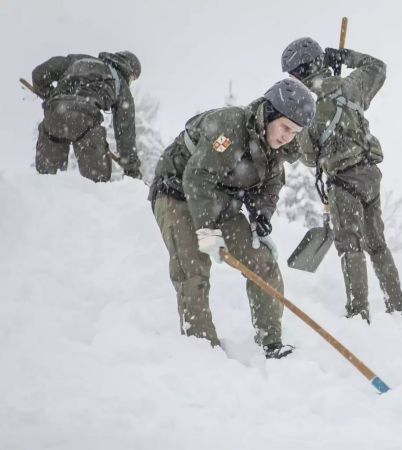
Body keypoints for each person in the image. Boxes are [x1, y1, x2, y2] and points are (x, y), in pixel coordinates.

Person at [148, 78, 315, 359]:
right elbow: (197, 177)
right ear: (270, 113)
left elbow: (271, 185)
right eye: (285, 127)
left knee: (262, 262)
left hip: (222, 201)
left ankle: (270, 343)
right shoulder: (229, 126)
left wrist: (261, 217)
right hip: (176, 193)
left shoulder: (280, 147)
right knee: (193, 268)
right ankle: (203, 352)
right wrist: (206, 230)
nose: (288, 136)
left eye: (294, 132)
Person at [280, 37, 402, 323]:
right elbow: (378, 66)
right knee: (377, 244)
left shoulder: (306, 107)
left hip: (344, 182)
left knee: (350, 247)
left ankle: (358, 313)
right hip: (370, 177)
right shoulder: (351, 86)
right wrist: (346, 57)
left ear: (300, 72)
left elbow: (311, 157)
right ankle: (398, 308)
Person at [31, 51, 143, 181]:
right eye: (133, 79)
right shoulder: (121, 84)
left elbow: (39, 74)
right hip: (86, 124)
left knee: (47, 183)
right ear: (129, 71)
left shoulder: (77, 60)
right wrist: (131, 170)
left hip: (54, 118)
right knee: (97, 188)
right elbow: (125, 134)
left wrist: (53, 97)